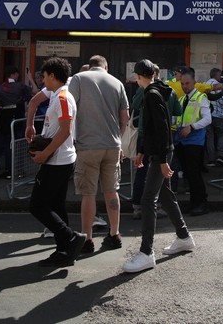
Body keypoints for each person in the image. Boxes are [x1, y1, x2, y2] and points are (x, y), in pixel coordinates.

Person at [124, 59, 196, 273]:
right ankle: (184, 237)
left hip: (161, 153)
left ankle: (146, 252)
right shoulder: (161, 90)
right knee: (165, 195)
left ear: (138, 77)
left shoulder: (151, 95)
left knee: (148, 200)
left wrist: (163, 160)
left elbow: (162, 128)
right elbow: (155, 127)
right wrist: (142, 151)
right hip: (157, 152)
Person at [29, 57, 88, 267]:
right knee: (56, 205)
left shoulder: (63, 97)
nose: (43, 80)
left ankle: (71, 238)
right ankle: (65, 250)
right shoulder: (58, 96)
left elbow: (64, 131)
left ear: (53, 76)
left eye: (44, 76)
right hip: (60, 159)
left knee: (37, 205)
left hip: (58, 161)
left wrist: (45, 154)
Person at [68, 55, 130, 254]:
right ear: (106, 66)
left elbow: (70, 109)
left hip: (88, 145)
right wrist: (118, 138)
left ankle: (87, 238)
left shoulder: (79, 79)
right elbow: (125, 117)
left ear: (91, 65)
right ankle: (114, 233)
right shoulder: (117, 82)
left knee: (89, 194)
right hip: (112, 145)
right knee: (112, 191)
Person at [175, 69, 212, 216]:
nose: (185, 86)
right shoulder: (182, 99)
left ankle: (201, 203)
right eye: (182, 83)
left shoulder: (200, 97)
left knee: (194, 173)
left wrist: (192, 127)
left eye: (187, 83)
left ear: (194, 83)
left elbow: (207, 119)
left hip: (195, 142)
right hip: (182, 141)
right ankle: (193, 203)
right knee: (188, 174)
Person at [0, 65, 32, 179]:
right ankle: (19, 170)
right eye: (17, 74)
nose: (18, 76)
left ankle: (8, 169)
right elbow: (34, 91)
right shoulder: (20, 86)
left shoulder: (0, 88)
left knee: (7, 144)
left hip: (3, 117)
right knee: (19, 143)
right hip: (17, 117)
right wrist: (30, 78)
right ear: (13, 74)